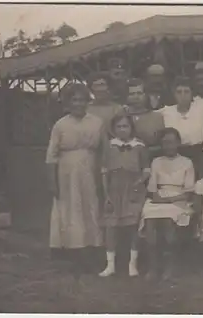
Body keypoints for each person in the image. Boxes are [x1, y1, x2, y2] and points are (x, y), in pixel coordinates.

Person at [46, 83, 107, 273]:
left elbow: (104, 150)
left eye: (82, 100)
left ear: (88, 101)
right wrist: (52, 181)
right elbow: (51, 155)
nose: (78, 104)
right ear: (68, 102)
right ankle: (73, 252)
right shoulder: (61, 124)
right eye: (74, 100)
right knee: (71, 208)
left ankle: (93, 250)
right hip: (67, 171)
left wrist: (102, 173)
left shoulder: (97, 122)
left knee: (90, 206)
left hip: (90, 168)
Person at [140, 128, 196, 281]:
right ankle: (153, 267)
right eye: (165, 142)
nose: (168, 146)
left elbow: (188, 191)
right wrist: (159, 198)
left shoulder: (187, 162)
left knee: (168, 222)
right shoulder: (156, 161)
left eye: (171, 142)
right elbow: (152, 188)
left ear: (178, 143)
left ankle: (169, 267)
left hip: (179, 199)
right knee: (149, 220)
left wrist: (169, 200)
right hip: (159, 198)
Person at [99, 114, 150, 278]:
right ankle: (110, 264)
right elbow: (104, 171)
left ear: (131, 128)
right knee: (111, 226)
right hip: (114, 188)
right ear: (113, 130)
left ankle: (132, 263)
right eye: (119, 127)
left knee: (133, 226)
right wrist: (106, 193)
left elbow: (146, 169)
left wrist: (139, 182)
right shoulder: (109, 146)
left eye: (125, 126)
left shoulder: (139, 146)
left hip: (133, 188)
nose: (122, 130)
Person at [157, 76, 203, 169]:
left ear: (192, 94)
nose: (183, 95)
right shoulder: (166, 111)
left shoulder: (202, 109)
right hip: (175, 154)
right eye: (179, 92)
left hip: (197, 154)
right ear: (174, 94)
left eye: (186, 91)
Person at [123, 78, 165, 159]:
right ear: (126, 96)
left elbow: (161, 145)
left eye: (139, 93)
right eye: (132, 94)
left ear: (145, 95)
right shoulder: (120, 117)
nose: (136, 97)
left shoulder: (157, 117)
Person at [86, 72, 124, 137]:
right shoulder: (86, 108)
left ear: (108, 87)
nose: (99, 89)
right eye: (96, 85)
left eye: (102, 85)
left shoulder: (117, 109)